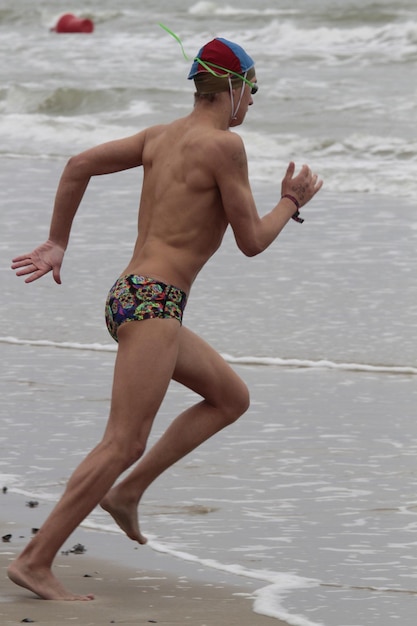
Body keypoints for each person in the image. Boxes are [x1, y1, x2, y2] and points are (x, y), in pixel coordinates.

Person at [8, 37, 322, 601]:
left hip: (133, 296)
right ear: (232, 89)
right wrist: (290, 203)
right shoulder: (225, 147)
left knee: (230, 397)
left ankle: (127, 494)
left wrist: (59, 241)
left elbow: (79, 164)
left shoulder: (160, 137)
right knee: (122, 440)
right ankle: (34, 559)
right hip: (154, 304)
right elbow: (251, 241)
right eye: (252, 91)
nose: (251, 103)